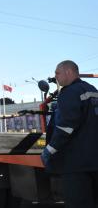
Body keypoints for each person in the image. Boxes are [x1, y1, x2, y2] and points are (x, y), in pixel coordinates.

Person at [41, 60, 98, 208]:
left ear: (69, 72)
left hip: (75, 163)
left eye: (57, 73)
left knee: (78, 202)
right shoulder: (92, 90)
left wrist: (49, 150)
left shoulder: (69, 93)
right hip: (93, 160)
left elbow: (65, 127)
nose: (56, 77)